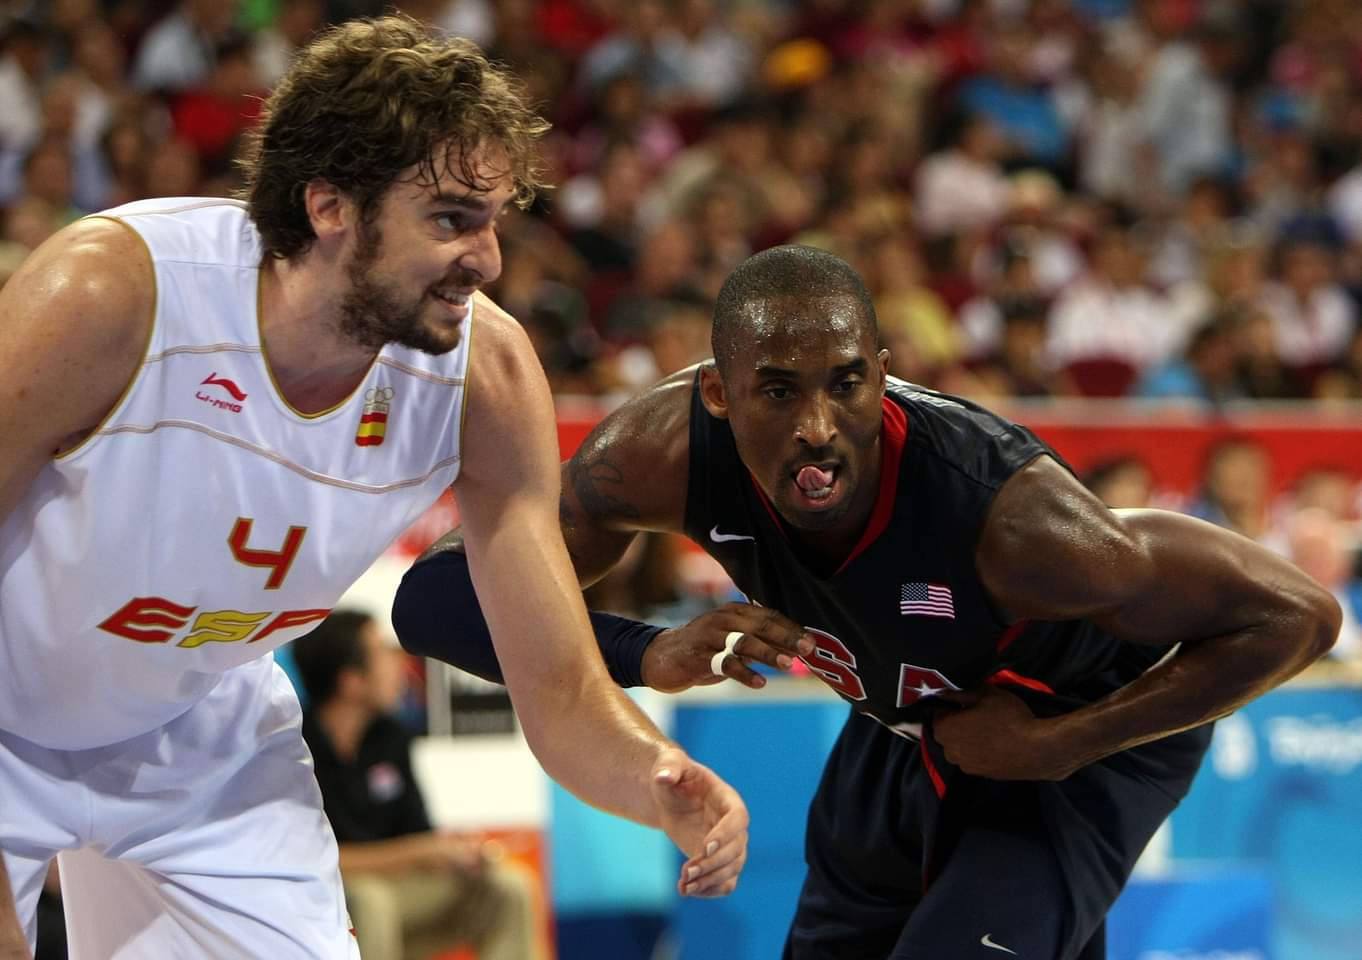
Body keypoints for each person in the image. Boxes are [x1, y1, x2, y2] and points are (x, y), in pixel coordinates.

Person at [0, 17, 747, 960]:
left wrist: (657, 775)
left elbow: (555, 689)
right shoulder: (111, 295)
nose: (488, 261)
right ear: (330, 207)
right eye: (450, 220)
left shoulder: (487, 378)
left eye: (493, 222)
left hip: (195, 729)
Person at [394, 245, 1341, 959]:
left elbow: (1298, 614)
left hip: (1060, 745)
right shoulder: (664, 456)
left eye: (846, 386)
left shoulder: (1019, 521)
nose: (816, 429)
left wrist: (1062, 744)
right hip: (898, 727)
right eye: (777, 392)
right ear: (718, 396)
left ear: (883, 375)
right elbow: (433, 601)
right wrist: (649, 652)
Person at [292, 611, 536, 960]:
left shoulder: (391, 737)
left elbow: (417, 832)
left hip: (397, 894)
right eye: (382, 652)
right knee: (369, 901)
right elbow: (314, 861)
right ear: (351, 681)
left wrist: (454, 851)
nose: (398, 662)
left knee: (508, 888)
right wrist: (422, 851)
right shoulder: (294, 749)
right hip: (325, 903)